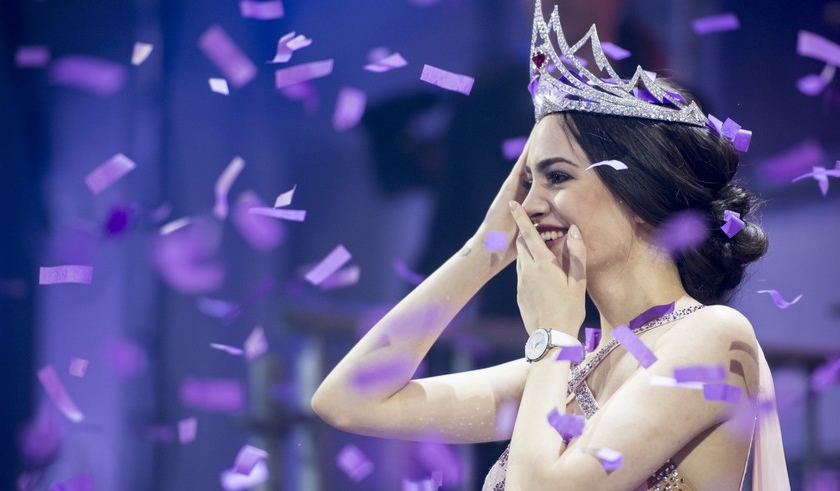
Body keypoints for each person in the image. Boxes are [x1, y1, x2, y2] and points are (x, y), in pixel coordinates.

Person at [312, 2, 791, 490]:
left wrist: (552, 338)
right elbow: (347, 400)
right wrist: (486, 249)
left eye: (556, 177)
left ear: (641, 193)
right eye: (525, 183)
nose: (530, 204)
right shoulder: (568, 365)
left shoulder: (709, 335)